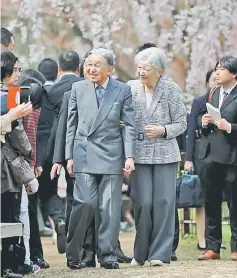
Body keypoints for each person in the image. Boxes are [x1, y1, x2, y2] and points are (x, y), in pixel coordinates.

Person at [65, 48, 136, 270]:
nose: (91, 69)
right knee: (84, 203)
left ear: (110, 69)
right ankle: (75, 253)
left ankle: (107, 254)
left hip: (111, 154)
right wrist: (68, 156)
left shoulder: (122, 89)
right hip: (83, 153)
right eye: (88, 64)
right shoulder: (78, 87)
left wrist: (130, 156)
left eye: (97, 65)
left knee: (110, 208)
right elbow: (71, 125)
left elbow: (130, 126)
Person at [128, 47, 187, 266]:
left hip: (165, 154)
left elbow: (181, 124)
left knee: (163, 202)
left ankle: (160, 254)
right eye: (139, 67)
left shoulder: (171, 90)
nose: (141, 72)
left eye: (146, 68)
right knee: (142, 202)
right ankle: (140, 253)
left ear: (160, 71)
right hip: (139, 154)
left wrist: (163, 130)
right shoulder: (130, 88)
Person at [37, 51, 82, 254]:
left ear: (60, 70)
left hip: (49, 149)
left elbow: (45, 123)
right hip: (78, 147)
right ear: (79, 67)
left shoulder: (49, 93)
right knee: (76, 193)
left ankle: (58, 219)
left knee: (49, 190)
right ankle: (74, 236)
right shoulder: (85, 87)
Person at [198, 56, 237, 261]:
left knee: (234, 203)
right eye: (216, 68)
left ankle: (236, 247)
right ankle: (213, 246)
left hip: (232, 157)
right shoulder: (213, 92)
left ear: (234, 73)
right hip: (210, 155)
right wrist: (203, 120)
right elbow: (200, 116)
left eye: (222, 69)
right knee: (210, 200)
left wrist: (230, 127)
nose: (217, 72)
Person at [183, 70, 217, 250]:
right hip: (201, 155)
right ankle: (203, 240)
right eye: (213, 79)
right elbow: (189, 132)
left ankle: (215, 239)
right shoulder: (198, 102)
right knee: (202, 198)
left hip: (223, 155)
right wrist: (188, 159)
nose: (216, 81)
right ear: (207, 82)